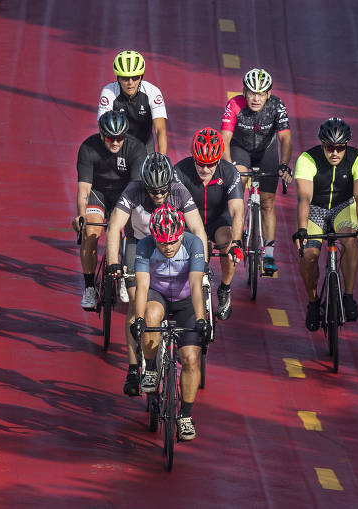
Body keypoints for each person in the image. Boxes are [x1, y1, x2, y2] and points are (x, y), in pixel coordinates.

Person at [106, 152, 208, 397]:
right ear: (144, 185)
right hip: (140, 244)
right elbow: (114, 227)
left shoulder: (179, 191)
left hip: (170, 242)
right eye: (154, 192)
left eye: (163, 191)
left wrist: (202, 263)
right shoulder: (132, 191)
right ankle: (133, 368)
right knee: (135, 304)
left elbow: (197, 229)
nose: (160, 196)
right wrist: (112, 262)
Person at [130, 204, 210, 441]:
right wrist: (140, 319)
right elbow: (142, 285)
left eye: (173, 242)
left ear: (181, 234)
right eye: (162, 242)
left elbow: (196, 286)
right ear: (153, 237)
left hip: (186, 299)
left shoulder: (193, 244)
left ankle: (185, 415)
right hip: (159, 295)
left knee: (190, 359)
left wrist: (201, 319)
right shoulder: (145, 246)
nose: (167, 247)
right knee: (151, 315)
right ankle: (152, 369)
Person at [292, 117, 358, 331]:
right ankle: (313, 301)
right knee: (310, 256)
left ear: (347, 145)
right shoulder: (307, 159)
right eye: (329, 147)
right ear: (321, 144)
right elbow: (304, 199)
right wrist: (301, 230)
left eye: (340, 147)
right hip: (315, 208)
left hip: (342, 207)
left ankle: (348, 297)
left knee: (351, 241)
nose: (334, 153)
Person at [220, 68, 293, 275]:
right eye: (252, 92)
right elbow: (225, 139)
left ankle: (268, 254)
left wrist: (284, 164)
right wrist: (228, 167)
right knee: (238, 185)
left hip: (266, 152)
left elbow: (285, 139)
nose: (256, 98)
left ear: (268, 94)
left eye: (261, 93)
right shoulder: (234, 104)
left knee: (268, 203)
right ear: (244, 91)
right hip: (240, 149)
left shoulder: (277, 105)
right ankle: (236, 232)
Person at [73, 110, 147, 310]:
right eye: (110, 138)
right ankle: (89, 287)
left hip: (126, 195)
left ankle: (125, 273)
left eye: (119, 138)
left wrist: (121, 218)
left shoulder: (137, 149)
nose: (115, 142)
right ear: (100, 134)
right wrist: (81, 214)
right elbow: (84, 189)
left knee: (130, 232)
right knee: (91, 233)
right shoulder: (88, 148)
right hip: (98, 193)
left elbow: (135, 190)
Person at [174, 127, 245, 320]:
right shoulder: (180, 171)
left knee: (228, 242)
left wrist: (237, 243)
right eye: (200, 163)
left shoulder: (230, 173)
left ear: (219, 160)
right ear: (193, 157)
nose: (205, 169)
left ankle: (225, 288)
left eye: (210, 164)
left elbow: (237, 211)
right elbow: (173, 209)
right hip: (190, 220)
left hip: (218, 220)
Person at [97, 50, 168, 155]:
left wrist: (162, 158)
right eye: (125, 78)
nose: (130, 83)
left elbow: (160, 129)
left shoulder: (152, 92)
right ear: (118, 78)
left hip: (144, 146)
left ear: (141, 77)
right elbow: (103, 128)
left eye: (135, 78)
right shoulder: (109, 92)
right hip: (117, 144)